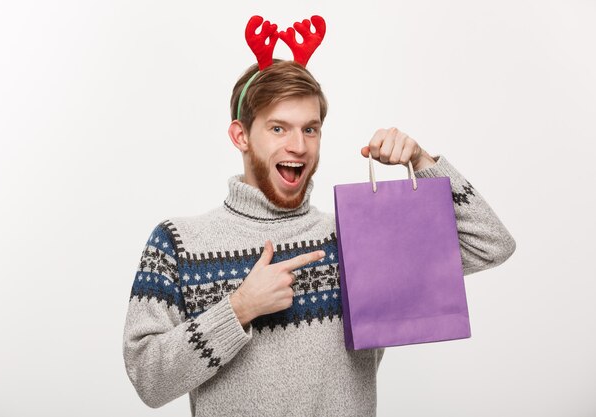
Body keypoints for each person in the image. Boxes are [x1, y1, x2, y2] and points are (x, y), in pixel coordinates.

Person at [122, 18, 516, 417]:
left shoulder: (357, 235)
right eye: (279, 128)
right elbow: (148, 378)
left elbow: (490, 244)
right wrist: (239, 308)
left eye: (310, 129)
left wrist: (424, 162)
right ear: (241, 136)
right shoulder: (178, 242)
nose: (298, 146)